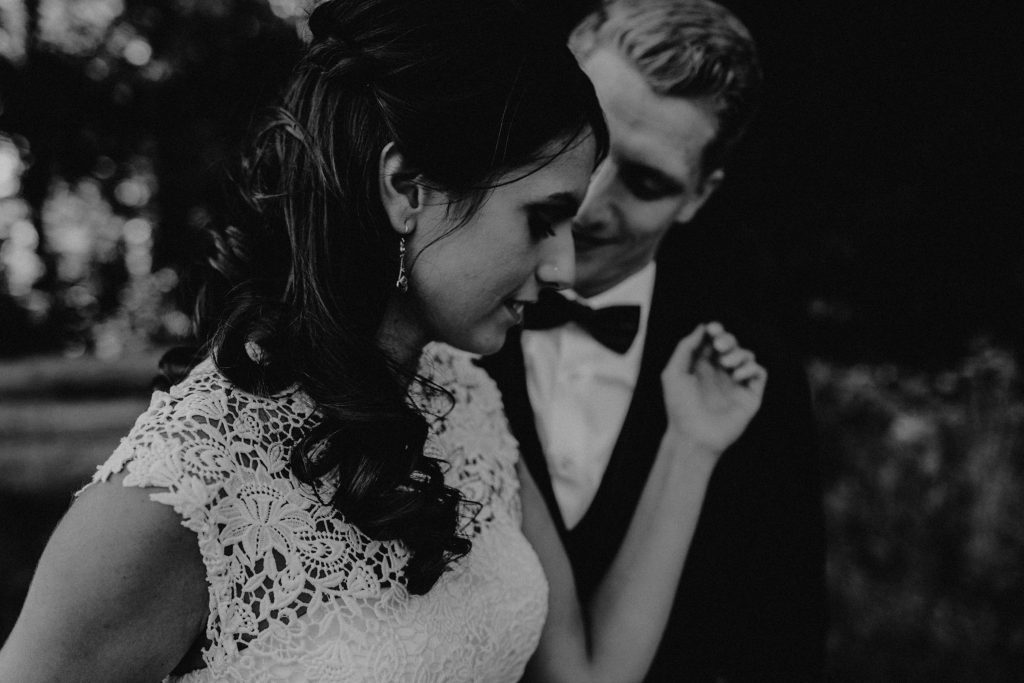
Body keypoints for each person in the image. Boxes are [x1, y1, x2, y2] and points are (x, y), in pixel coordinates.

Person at [0, 0, 767, 681]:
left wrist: (691, 445)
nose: (564, 264)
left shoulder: (466, 402)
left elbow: (587, 673)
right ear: (407, 189)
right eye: (541, 220)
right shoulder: (176, 492)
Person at [481, 0, 827, 680]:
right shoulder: (429, 330)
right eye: (588, 144)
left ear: (699, 195)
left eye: (645, 181)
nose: (589, 201)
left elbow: (783, 650)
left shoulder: (755, 384)